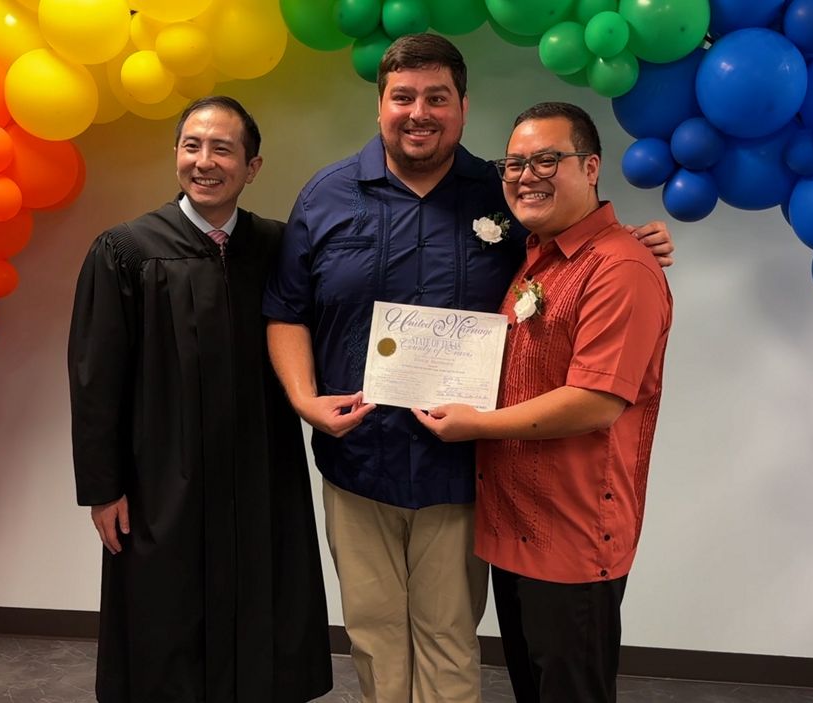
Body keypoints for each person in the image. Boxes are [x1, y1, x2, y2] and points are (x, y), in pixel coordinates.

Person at [262, 34, 674, 702]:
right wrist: (305, 400)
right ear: (379, 106)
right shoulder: (326, 196)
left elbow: (573, 245)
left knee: (450, 640)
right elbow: (287, 310)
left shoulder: (504, 193)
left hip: (461, 468)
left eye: (437, 98)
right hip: (356, 460)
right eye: (403, 97)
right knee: (372, 634)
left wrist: (630, 238)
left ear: (462, 107)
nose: (418, 112)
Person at [67, 96, 331, 703]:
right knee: (166, 610)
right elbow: (94, 378)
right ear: (177, 155)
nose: (204, 162)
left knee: (264, 600)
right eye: (192, 146)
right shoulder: (127, 250)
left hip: (260, 471)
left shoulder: (277, 247)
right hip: (162, 477)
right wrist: (103, 487)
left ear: (252, 167)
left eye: (222, 149)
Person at [413, 101, 673, 703]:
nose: (526, 175)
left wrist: (477, 425)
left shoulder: (621, 267)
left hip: (574, 537)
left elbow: (596, 401)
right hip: (518, 525)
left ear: (591, 167)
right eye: (514, 164)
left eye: (547, 160)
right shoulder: (536, 256)